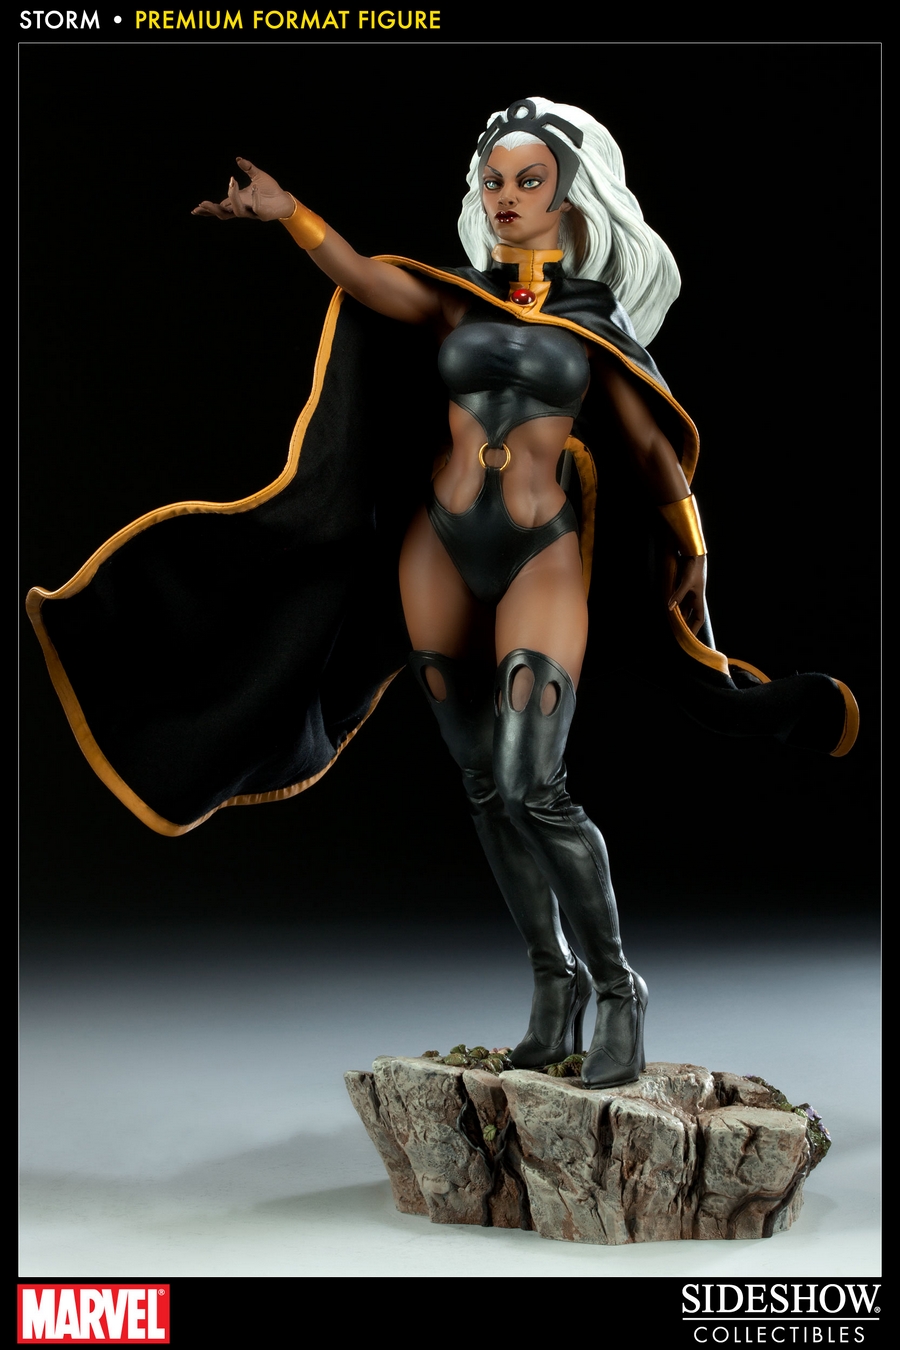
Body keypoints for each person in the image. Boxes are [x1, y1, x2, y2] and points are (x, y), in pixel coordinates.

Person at [28, 98, 858, 1091]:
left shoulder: (594, 321)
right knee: (482, 787)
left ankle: (619, 987)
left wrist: (694, 551)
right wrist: (291, 214)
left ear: (569, 196)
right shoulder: (457, 300)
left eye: (528, 182)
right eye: (493, 182)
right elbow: (367, 278)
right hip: (440, 548)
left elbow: (652, 447)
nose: (505, 198)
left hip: (541, 550)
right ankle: (553, 985)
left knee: (533, 783)